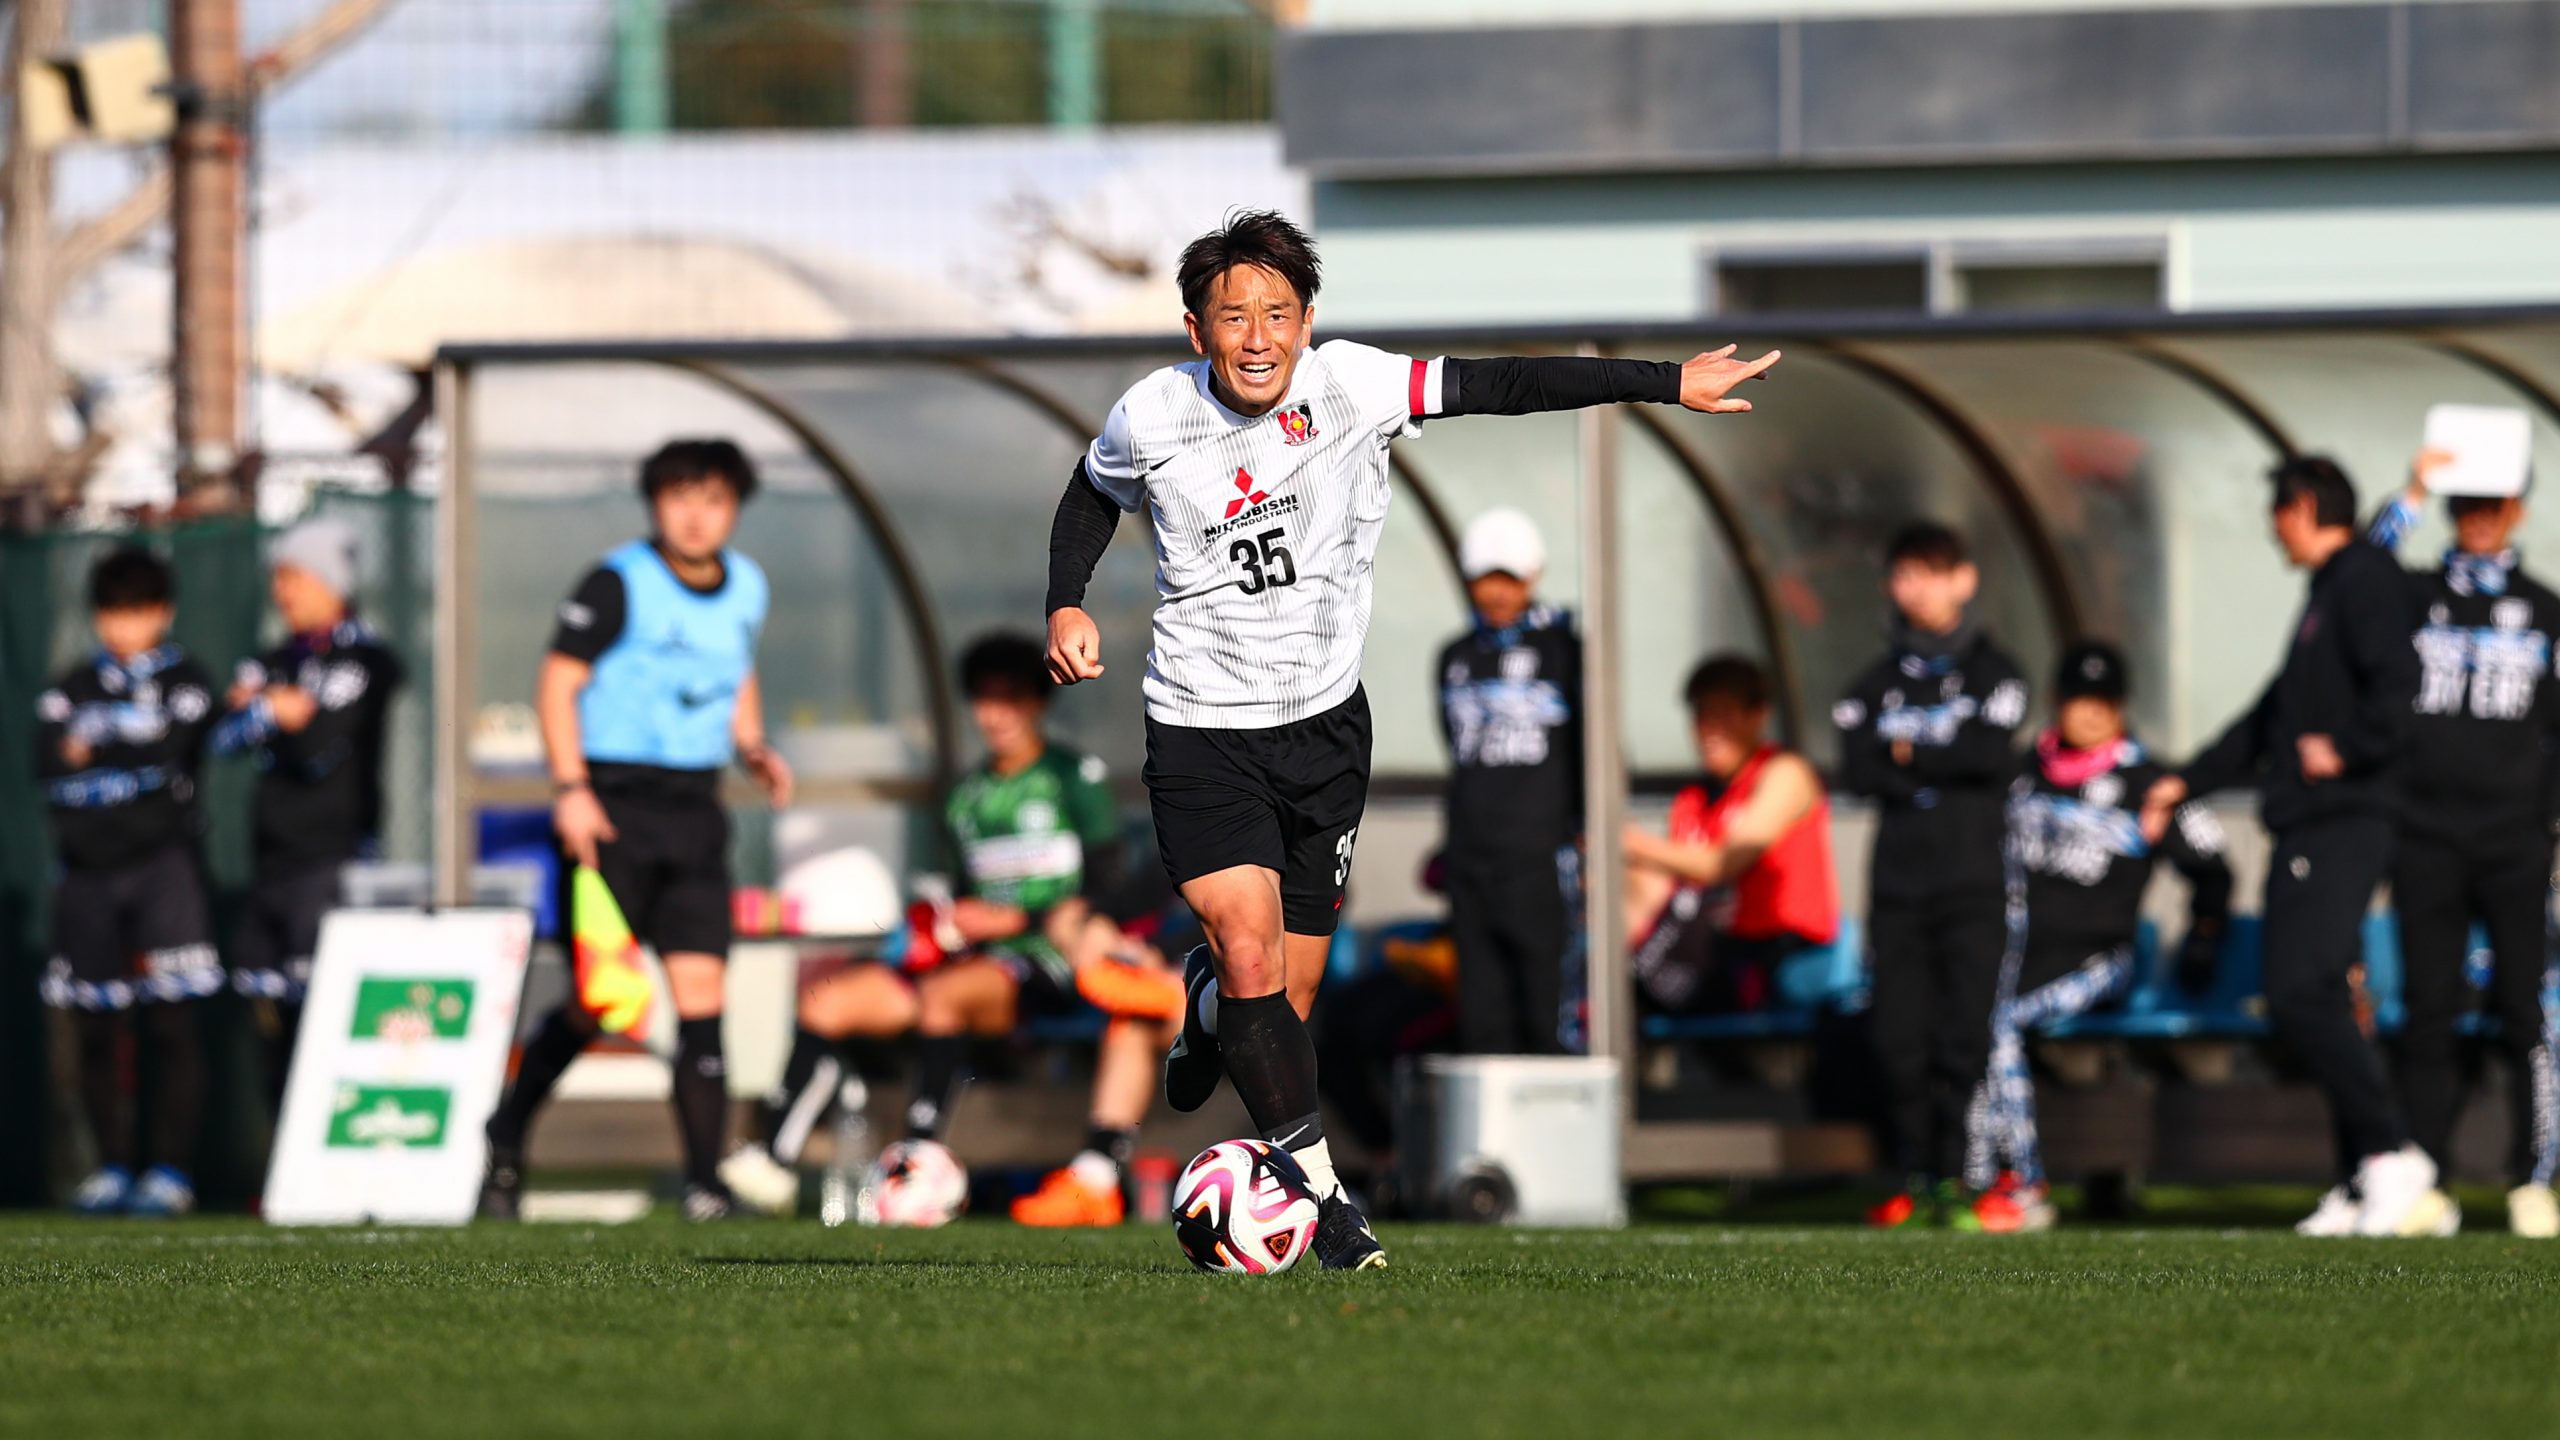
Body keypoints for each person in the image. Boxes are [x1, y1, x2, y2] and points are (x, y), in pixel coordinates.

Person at [1041, 209, 1778, 1269]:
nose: (1257, 336)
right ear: (1195, 326)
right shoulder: (1151, 413)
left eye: (1278, 315)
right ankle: (1325, 1201)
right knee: (1248, 950)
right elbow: (1089, 493)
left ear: (1306, 323)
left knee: (1282, 999)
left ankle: (1207, 1006)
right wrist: (1066, 601)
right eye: (1233, 314)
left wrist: (1666, 381)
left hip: (1325, 734)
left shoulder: (1352, 384)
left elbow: (1504, 384)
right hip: (1200, 729)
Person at [734, 633, 1184, 1226]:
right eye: (984, 700)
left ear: (1038, 704)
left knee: (946, 997)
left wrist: (1022, 920)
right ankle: (772, 1160)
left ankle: (919, 1154)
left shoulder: (1073, 777)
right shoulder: (966, 798)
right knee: (829, 1002)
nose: (994, 715)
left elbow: (1108, 889)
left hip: (1049, 964)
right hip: (970, 962)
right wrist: (936, 924)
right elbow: (956, 894)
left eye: (1010, 700)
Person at [478, 439, 794, 1222]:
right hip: (609, 808)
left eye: (713, 499)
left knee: (701, 998)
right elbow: (558, 683)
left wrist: (751, 745)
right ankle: (508, 1127)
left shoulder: (747, 585)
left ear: (734, 509)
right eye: (680, 496)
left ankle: (703, 1187)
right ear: (655, 504)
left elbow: (738, 669)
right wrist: (572, 789)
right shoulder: (618, 581)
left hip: (694, 810)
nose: (696, 514)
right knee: (604, 1002)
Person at [2142, 456, 2432, 1237]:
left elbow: (2400, 690)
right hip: (2308, 823)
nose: (2273, 530)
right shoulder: (2328, 594)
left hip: (2344, 818)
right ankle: (2356, 1180)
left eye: (2277, 511)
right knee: (2316, 996)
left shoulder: (2363, 579)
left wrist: (2347, 745)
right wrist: (2187, 780)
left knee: (2301, 990)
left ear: (2302, 508)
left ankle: (2392, 1155)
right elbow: (2270, 718)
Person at [1968, 641, 2231, 1233]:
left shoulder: (2149, 782)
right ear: (2058, 701)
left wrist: (2204, 935)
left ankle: (2024, 1185)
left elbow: (2215, 866)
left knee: (1999, 1022)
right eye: (2079, 699)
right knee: (1975, 1012)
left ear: (2122, 706)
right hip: (2017, 953)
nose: (2091, 713)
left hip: (2100, 960)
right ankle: (1973, 1177)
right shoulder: (2018, 777)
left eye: (2104, 701)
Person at [2367, 451, 2560, 1238]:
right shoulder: (2412, 596)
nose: (2479, 517)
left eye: (2495, 504)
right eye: (2466, 503)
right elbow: (2355, 574)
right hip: (2425, 840)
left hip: (2515, 843)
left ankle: (2535, 1179)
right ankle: (2425, 1178)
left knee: (2528, 1012)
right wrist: (2411, 490)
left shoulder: (2546, 610)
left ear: (2517, 510)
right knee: (2429, 1014)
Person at [1834, 523, 2028, 1229]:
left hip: (1972, 885)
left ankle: (1960, 1178)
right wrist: (1930, 757)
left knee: (1963, 1037)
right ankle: (1916, 1178)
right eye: (1904, 574)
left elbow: (1991, 755)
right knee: (1897, 1037)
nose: (1914, 587)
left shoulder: (1997, 672)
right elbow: (1858, 769)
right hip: (1899, 890)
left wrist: (1912, 754)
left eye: (1930, 572)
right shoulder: (1872, 684)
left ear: (1963, 580)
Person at [35, 548, 221, 1216]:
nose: (122, 629)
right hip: (86, 876)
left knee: (173, 1022)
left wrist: (103, 742)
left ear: (163, 615)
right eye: (111, 614)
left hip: (163, 871)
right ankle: (110, 1167)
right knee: (91, 1024)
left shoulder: (188, 680)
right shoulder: (72, 685)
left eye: (136, 614)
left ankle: (170, 1171)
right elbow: (46, 755)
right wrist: (125, 740)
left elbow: (175, 741)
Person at [210, 517, 406, 1111]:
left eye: (293, 577)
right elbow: (224, 738)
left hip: (334, 860)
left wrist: (269, 709)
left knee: (327, 1014)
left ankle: (332, 1147)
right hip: (271, 862)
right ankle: (281, 1164)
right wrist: (278, 707)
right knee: (270, 1018)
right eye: (279, 578)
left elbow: (319, 746)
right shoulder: (274, 660)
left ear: (330, 581)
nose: (283, 592)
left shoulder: (366, 659)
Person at [1436, 507, 1582, 1054]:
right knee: (1480, 1012)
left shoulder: (1565, 652)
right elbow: (1455, 747)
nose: (1496, 593)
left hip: (1542, 856)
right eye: (1484, 579)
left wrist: (1584, 832)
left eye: (1510, 579)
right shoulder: (1453, 657)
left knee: (1545, 1004)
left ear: (1533, 577)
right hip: (1472, 858)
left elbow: (1589, 749)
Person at [1621, 655, 1836, 1016]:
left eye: (1725, 713)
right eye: (1702, 715)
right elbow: (1667, 892)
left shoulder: (1785, 774)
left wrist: (1634, 844)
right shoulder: (1692, 800)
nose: (1710, 729)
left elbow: (1723, 864)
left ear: (1759, 716)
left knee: (1650, 983)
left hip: (1778, 951)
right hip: (1708, 947)